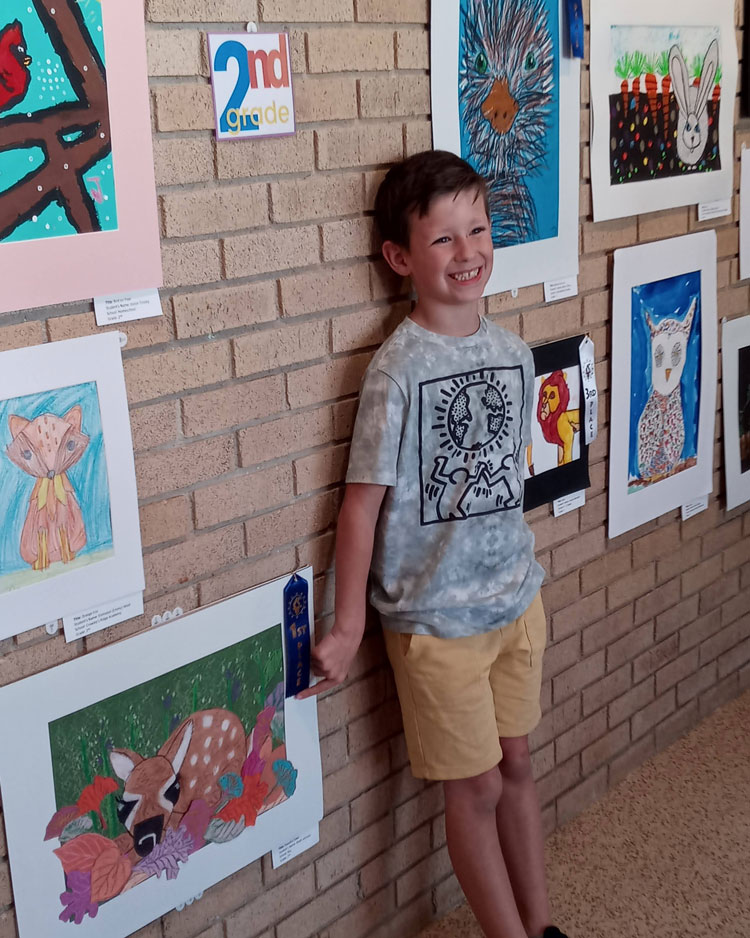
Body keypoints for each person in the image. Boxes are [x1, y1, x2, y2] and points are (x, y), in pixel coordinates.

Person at [298, 150, 568, 938]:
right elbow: (359, 508)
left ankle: (543, 926)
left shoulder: (515, 354)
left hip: (515, 604)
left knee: (518, 768)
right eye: (443, 238)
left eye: (478, 229)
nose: (468, 251)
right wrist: (348, 626)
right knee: (476, 789)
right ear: (399, 257)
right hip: (435, 627)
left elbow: (501, 484)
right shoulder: (396, 371)